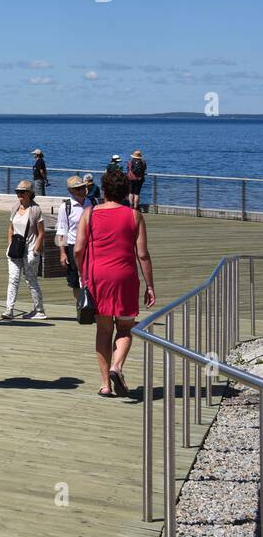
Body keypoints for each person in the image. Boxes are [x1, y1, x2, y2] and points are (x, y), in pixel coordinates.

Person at [75, 169, 157, 398]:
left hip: (98, 276)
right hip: (125, 276)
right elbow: (142, 254)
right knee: (124, 328)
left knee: (103, 330)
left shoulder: (89, 214)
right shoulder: (134, 216)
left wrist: (84, 274)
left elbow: (79, 249)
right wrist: (150, 286)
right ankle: (117, 366)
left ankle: (105, 385)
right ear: (124, 191)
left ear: (104, 190)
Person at [3, 181, 46, 320]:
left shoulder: (35, 210)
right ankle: (9, 309)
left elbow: (41, 233)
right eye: (17, 192)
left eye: (22, 192)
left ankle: (39, 310)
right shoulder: (15, 207)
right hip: (15, 249)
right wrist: (9, 245)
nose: (19, 194)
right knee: (13, 278)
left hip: (30, 249)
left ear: (30, 193)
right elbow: (11, 228)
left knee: (31, 279)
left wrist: (35, 251)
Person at [55, 175, 92, 306]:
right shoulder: (66, 207)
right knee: (75, 280)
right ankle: (81, 306)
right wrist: (62, 253)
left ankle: (92, 305)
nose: (82, 190)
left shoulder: (93, 203)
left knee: (92, 276)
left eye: (83, 187)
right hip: (72, 246)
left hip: (91, 246)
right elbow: (61, 231)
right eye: (78, 188)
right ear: (71, 191)